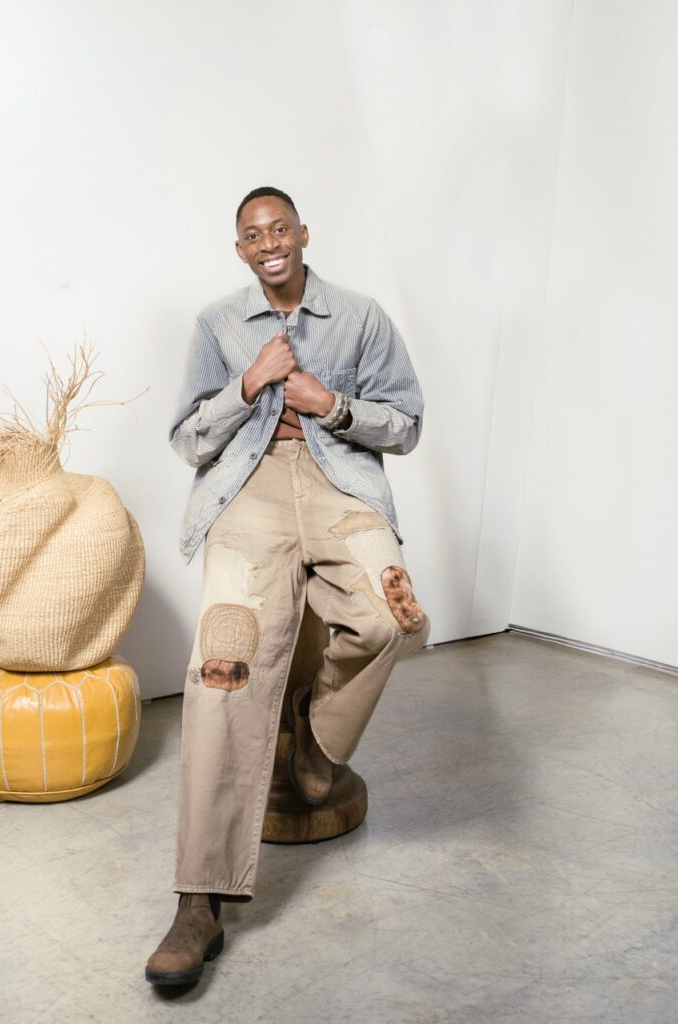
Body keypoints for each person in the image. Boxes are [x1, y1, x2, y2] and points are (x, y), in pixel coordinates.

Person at [145, 186, 430, 987]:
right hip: (249, 494)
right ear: (239, 250)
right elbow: (183, 437)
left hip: (341, 491)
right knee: (221, 669)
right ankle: (197, 901)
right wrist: (248, 388)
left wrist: (329, 403)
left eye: (279, 229)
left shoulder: (363, 317)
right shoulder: (217, 325)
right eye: (251, 235)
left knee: (394, 618)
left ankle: (315, 740)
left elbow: (405, 424)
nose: (267, 243)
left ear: (303, 234)